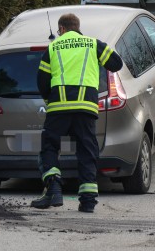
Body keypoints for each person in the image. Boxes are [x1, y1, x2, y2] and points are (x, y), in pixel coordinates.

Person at [30, 13, 123, 213]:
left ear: (62, 29)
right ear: (77, 27)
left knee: (50, 146)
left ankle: (54, 187)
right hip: (86, 108)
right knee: (87, 151)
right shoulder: (92, 44)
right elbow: (116, 64)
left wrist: (50, 100)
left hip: (58, 107)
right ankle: (88, 202)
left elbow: (42, 81)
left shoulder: (53, 47)